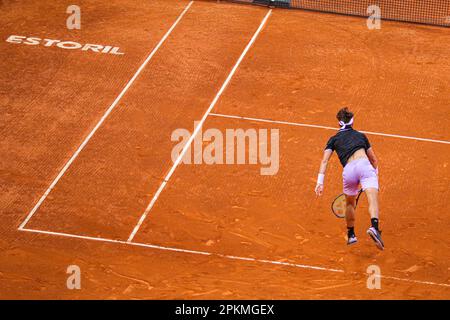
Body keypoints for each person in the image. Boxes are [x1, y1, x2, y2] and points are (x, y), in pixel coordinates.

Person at [314, 107, 384, 250]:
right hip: (364, 166)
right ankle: (374, 227)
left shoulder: (333, 139)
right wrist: (373, 176)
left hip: (349, 171)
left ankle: (351, 234)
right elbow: (374, 160)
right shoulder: (361, 136)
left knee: (350, 204)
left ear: (339, 123)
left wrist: (320, 182)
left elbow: (324, 161)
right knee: (373, 199)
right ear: (352, 122)